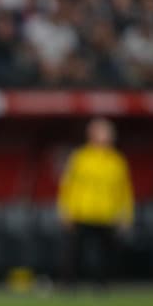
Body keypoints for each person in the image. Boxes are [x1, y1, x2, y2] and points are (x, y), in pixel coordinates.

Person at [57, 117, 133, 289]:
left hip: (107, 215)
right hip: (82, 213)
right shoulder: (80, 158)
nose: (106, 137)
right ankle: (68, 286)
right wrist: (65, 211)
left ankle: (102, 285)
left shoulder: (117, 161)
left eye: (108, 133)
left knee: (105, 254)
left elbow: (125, 192)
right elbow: (67, 186)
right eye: (101, 132)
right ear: (90, 134)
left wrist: (126, 216)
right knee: (73, 253)